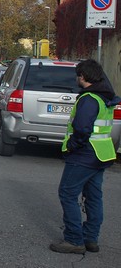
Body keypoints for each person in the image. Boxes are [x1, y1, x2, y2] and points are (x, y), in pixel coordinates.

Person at [49, 59, 120, 254]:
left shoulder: (89, 99)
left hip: (84, 155)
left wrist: (71, 146)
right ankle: (90, 238)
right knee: (94, 197)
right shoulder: (105, 96)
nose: (77, 78)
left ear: (84, 76)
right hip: (101, 153)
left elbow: (81, 128)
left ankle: (74, 239)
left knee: (67, 193)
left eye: (78, 75)